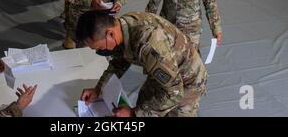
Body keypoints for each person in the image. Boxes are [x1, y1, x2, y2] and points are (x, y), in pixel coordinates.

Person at [77, 11, 207, 117]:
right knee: (145, 103)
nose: (101, 52)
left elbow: (175, 92)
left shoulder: (149, 44)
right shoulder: (121, 27)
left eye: (99, 48)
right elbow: (119, 61)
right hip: (162, 72)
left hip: (187, 81)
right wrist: (98, 88)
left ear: (110, 34)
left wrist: (134, 113)